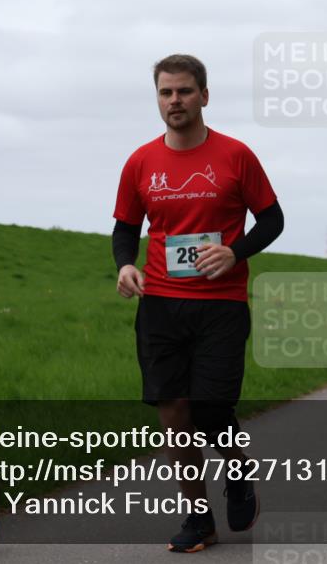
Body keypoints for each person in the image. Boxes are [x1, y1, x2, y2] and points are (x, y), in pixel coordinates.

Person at [112, 54, 284, 553]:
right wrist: (125, 265)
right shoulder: (141, 162)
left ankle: (237, 472)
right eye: (166, 92)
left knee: (210, 408)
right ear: (157, 98)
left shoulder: (236, 156)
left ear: (204, 96)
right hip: (161, 304)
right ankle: (198, 517)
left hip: (221, 303)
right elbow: (126, 228)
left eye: (184, 91)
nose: (175, 101)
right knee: (174, 414)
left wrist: (235, 252)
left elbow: (273, 220)